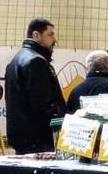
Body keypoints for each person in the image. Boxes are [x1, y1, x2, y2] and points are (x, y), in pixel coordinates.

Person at [5, 18, 66, 153]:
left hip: (24, 139)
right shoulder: (36, 61)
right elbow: (43, 104)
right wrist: (61, 126)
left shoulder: (16, 61)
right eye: (50, 35)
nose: (54, 40)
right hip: (38, 140)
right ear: (36, 35)